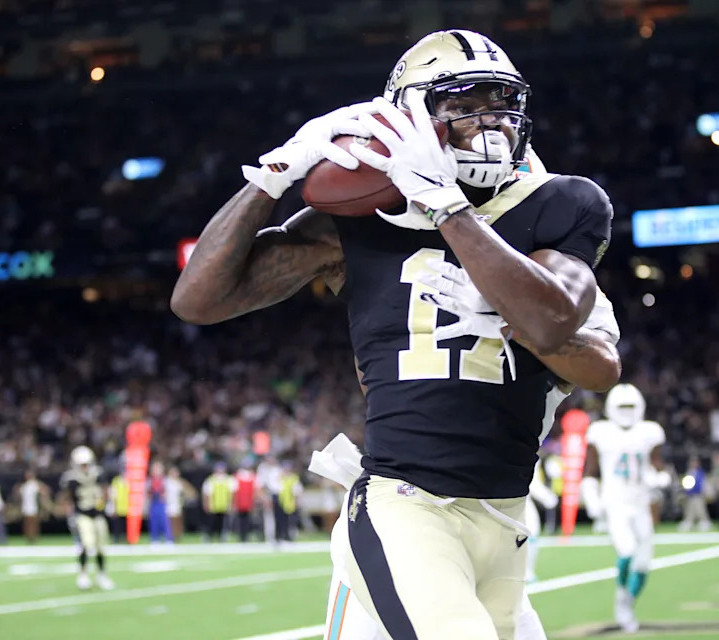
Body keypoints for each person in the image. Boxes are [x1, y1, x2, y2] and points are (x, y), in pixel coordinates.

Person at [172, 27, 613, 640]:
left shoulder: (560, 202)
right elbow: (198, 298)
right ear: (412, 116)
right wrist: (274, 174)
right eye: (465, 105)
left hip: (504, 518)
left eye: (502, 103)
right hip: (406, 506)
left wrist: (446, 207)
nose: (494, 123)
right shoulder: (357, 222)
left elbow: (556, 322)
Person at [309, 278, 622, 640]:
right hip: (402, 517)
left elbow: (599, 367)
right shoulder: (435, 272)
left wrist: (507, 316)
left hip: (491, 529)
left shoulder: (559, 291)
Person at [587, 384, 669, 634]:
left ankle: (628, 602)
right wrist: (592, 498)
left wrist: (660, 477)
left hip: (641, 501)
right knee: (626, 551)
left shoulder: (649, 431)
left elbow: (657, 464)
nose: (626, 412)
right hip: (615, 502)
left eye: (630, 407)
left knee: (643, 563)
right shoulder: (600, 431)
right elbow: (590, 471)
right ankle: (622, 602)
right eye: (622, 407)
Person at [60, 446, 114, 591]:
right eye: (82, 464)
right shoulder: (71, 479)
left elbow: (105, 491)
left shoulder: (98, 474)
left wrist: (107, 504)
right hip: (82, 514)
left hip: (98, 514)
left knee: (101, 546)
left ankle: (102, 574)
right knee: (86, 543)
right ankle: (83, 574)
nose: (85, 467)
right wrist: (70, 514)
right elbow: (67, 498)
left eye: (86, 464)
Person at [16, 468, 50, 544]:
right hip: (25, 507)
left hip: (33, 507)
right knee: (27, 524)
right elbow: (18, 494)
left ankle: (34, 538)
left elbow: (44, 490)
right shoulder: (24, 485)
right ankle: (28, 538)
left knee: (34, 524)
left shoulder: (34, 484)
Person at [202, 462, 233, 542]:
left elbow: (231, 493)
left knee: (222, 522)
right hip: (213, 505)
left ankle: (221, 536)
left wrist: (231, 504)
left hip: (224, 505)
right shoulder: (211, 480)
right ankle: (208, 536)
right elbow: (206, 493)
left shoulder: (228, 479)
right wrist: (206, 504)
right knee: (212, 522)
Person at [678, 456, 711, 532]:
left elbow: (702, 484)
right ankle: (688, 522)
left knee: (700, 508)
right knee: (689, 509)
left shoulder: (700, 473)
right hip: (690, 494)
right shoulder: (689, 472)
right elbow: (685, 483)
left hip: (698, 494)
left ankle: (704, 522)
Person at [148, 461, 173, 544]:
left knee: (164, 521)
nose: (156, 471)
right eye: (155, 469)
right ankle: (155, 539)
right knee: (154, 521)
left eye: (158, 469)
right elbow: (148, 492)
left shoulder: (164, 480)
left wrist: (165, 496)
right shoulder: (150, 480)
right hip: (153, 503)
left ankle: (168, 538)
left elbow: (167, 491)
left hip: (162, 503)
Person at [165, 466, 187, 541]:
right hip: (168, 504)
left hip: (177, 504)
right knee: (170, 521)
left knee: (177, 521)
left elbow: (183, 493)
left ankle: (177, 535)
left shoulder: (179, 483)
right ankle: (170, 536)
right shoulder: (167, 482)